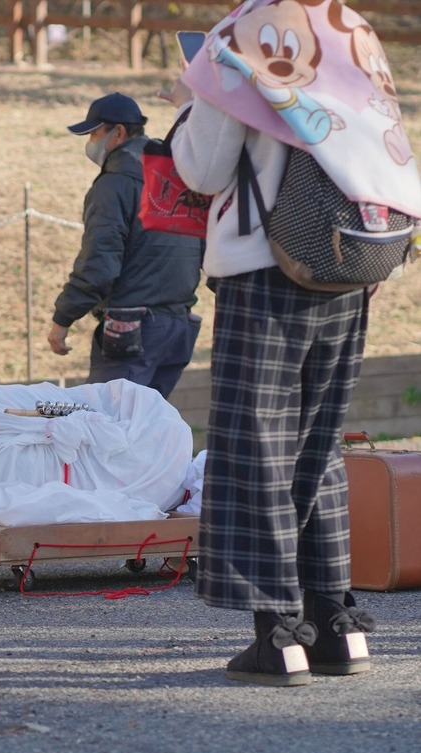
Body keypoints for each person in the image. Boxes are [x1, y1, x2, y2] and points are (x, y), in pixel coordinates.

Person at [166, 0, 420, 685]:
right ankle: (336, 625)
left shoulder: (240, 34)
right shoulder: (351, 30)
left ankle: (277, 638)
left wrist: (189, 104)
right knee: (319, 446)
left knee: (257, 448)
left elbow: (204, 169)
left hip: (265, 265)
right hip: (350, 258)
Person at [47, 92, 203, 399]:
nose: (91, 142)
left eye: (94, 133)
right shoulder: (177, 177)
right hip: (179, 325)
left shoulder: (115, 184)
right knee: (149, 423)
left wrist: (63, 318)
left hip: (132, 330)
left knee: (109, 421)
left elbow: (99, 261)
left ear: (118, 132)